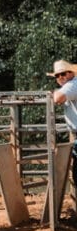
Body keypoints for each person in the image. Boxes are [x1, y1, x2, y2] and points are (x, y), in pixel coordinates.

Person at [48, 59, 77, 193]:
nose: (60, 78)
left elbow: (58, 98)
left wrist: (54, 93)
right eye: (57, 76)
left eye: (63, 74)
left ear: (71, 73)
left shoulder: (73, 84)